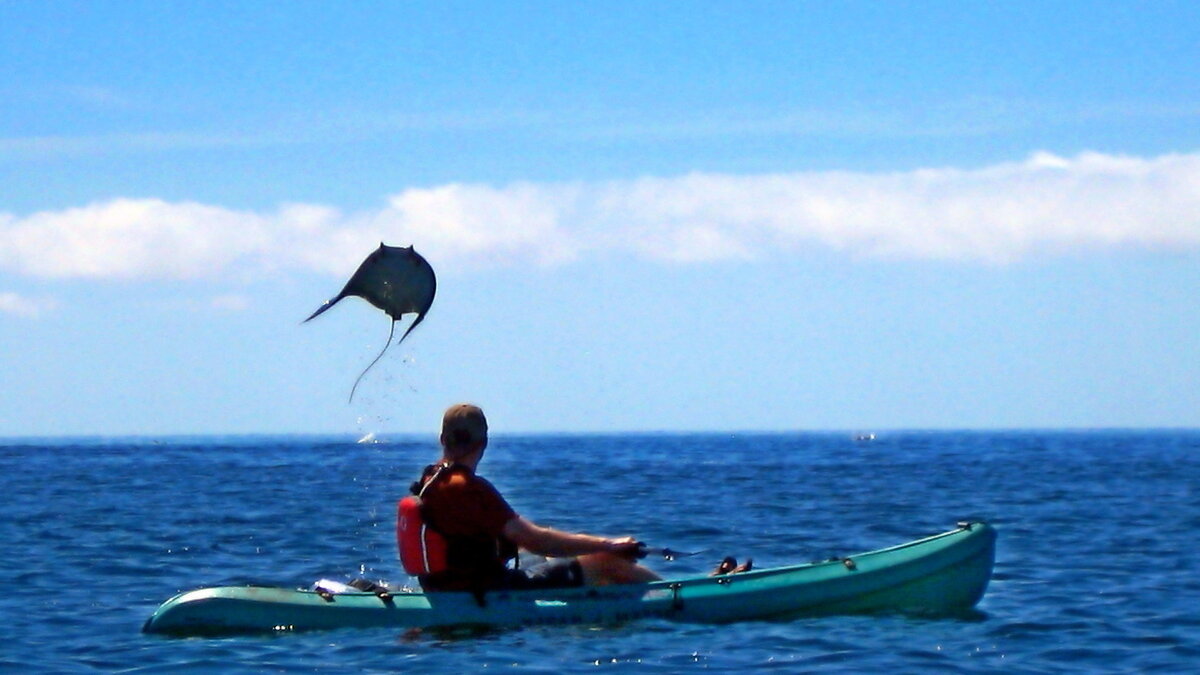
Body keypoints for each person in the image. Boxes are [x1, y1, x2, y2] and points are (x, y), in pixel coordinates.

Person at [408, 403, 662, 593]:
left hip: (444, 585)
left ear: (442, 439)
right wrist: (610, 545)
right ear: (483, 442)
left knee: (548, 556)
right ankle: (676, 598)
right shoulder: (470, 488)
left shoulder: (430, 478)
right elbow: (537, 540)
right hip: (489, 590)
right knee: (605, 562)